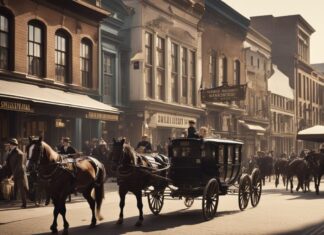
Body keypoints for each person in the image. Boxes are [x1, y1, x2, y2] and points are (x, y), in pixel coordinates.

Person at [5, 138, 29, 208]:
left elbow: (19, 166)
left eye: (11, 144)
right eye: (10, 144)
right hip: (14, 172)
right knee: (22, 188)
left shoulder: (19, 153)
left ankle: (24, 204)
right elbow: (8, 163)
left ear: (15, 145)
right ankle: (18, 199)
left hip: (20, 173)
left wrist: (12, 176)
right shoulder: (11, 152)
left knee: (22, 188)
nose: (10, 145)